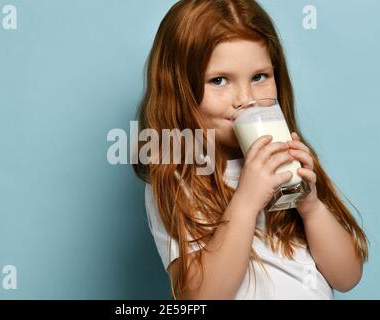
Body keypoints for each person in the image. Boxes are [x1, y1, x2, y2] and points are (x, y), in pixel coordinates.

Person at [132, 0, 368, 300]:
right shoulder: (177, 177)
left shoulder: (289, 157)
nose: (246, 99)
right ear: (181, 90)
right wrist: (246, 201)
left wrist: (311, 206)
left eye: (259, 77)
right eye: (219, 80)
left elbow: (347, 277)